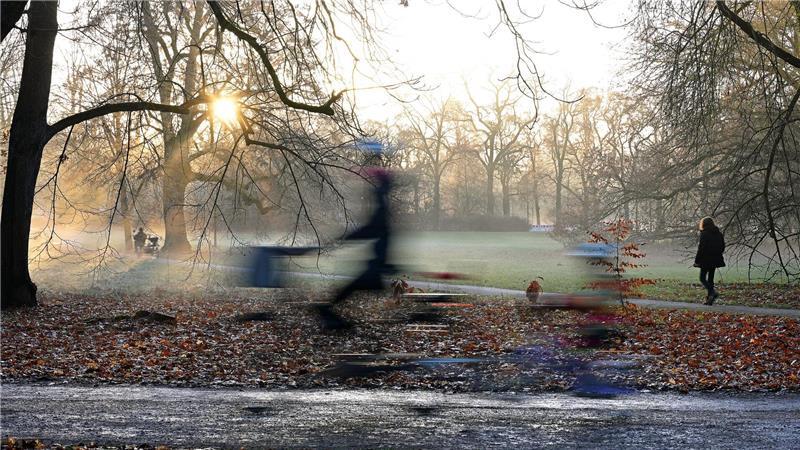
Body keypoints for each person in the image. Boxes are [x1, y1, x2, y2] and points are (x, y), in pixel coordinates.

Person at [316, 167, 394, 330]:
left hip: (377, 266)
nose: (372, 196)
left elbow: (369, 230)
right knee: (352, 287)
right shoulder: (383, 209)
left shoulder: (381, 210)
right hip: (378, 265)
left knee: (352, 287)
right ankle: (328, 311)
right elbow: (370, 230)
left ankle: (328, 312)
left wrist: (342, 239)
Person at [694, 217, 725, 305]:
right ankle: (709, 299)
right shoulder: (719, 234)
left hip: (706, 259)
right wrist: (717, 254)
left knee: (702, 278)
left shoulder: (704, 234)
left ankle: (712, 293)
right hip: (715, 259)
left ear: (703, 224)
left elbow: (701, 248)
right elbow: (722, 247)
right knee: (710, 279)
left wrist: (697, 260)